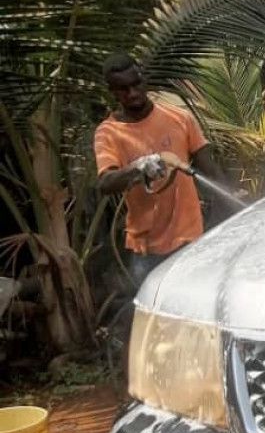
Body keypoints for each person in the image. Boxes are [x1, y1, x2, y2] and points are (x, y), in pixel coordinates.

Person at [94, 53, 237, 286]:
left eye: (136, 84)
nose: (132, 93)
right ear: (112, 91)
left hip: (191, 240)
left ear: (144, 79)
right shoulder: (108, 133)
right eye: (123, 89)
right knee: (156, 315)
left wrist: (235, 205)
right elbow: (105, 183)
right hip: (146, 249)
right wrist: (138, 169)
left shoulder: (179, 118)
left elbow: (211, 170)